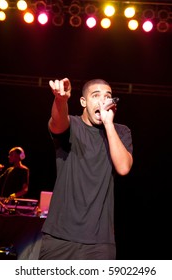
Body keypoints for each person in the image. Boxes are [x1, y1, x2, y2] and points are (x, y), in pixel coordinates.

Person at [39, 78, 133, 260]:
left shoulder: (120, 132)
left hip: (99, 242)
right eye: (95, 96)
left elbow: (123, 168)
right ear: (83, 102)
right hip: (60, 238)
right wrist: (60, 100)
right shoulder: (72, 125)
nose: (102, 101)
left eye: (107, 96)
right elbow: (58, 123)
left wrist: (108, 124)